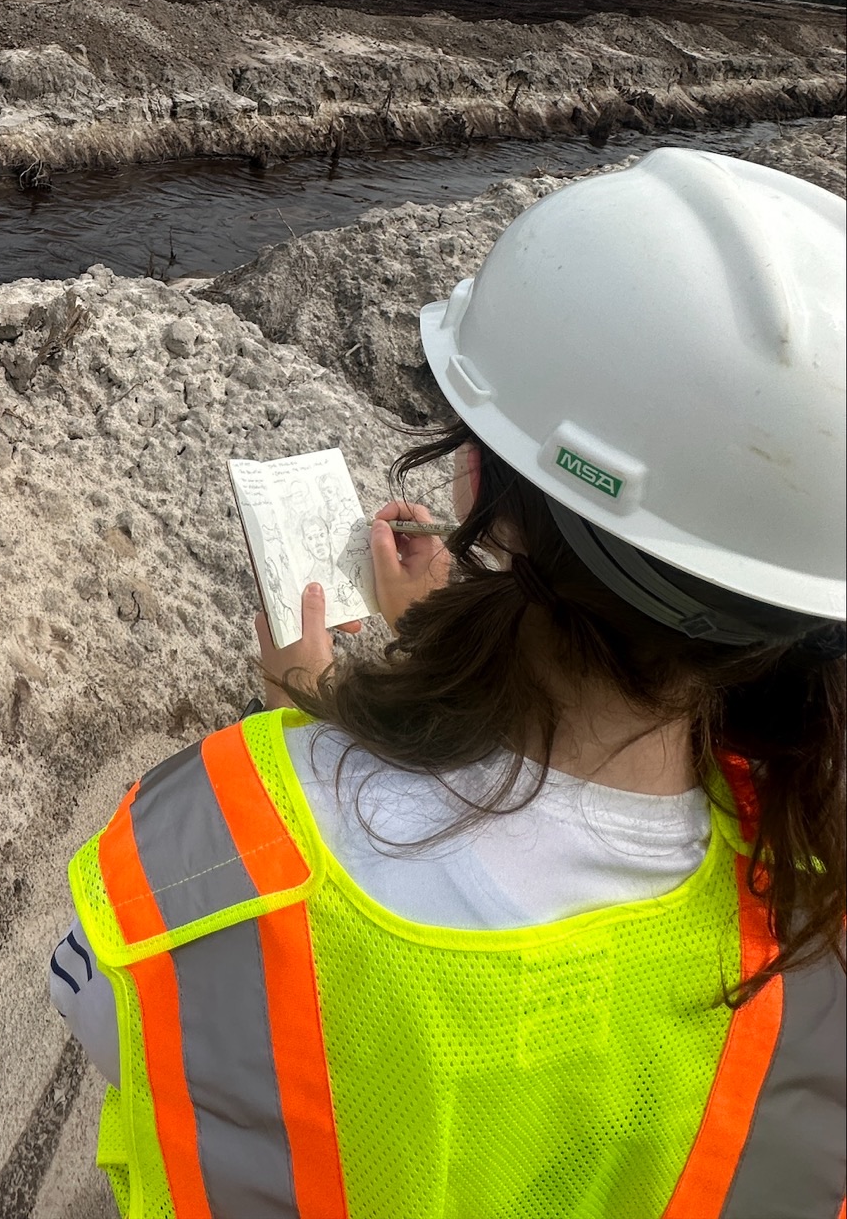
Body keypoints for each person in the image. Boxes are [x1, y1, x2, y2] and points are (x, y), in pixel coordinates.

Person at [49, 147, 845, 1217]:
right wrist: (428, 639)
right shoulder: (811, 878)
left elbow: (101, 1009)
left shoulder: (225, 842)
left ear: (479, 484)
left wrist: (313, 709)